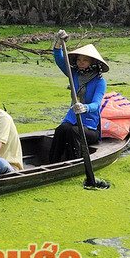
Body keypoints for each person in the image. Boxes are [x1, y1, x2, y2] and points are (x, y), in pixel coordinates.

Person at [47, 30, 108, 163]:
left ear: (92, 63)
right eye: (79, 60)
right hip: (72, 119)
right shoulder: (74, 74)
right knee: (61, 130)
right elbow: (59, 60)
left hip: (90, 127)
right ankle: (53, 162)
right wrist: (58, 44)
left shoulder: (99, 81)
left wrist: (84, 107)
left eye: (85, 60)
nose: (81, 63)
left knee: (74, 132)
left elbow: (97, 104)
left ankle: (74, 162)